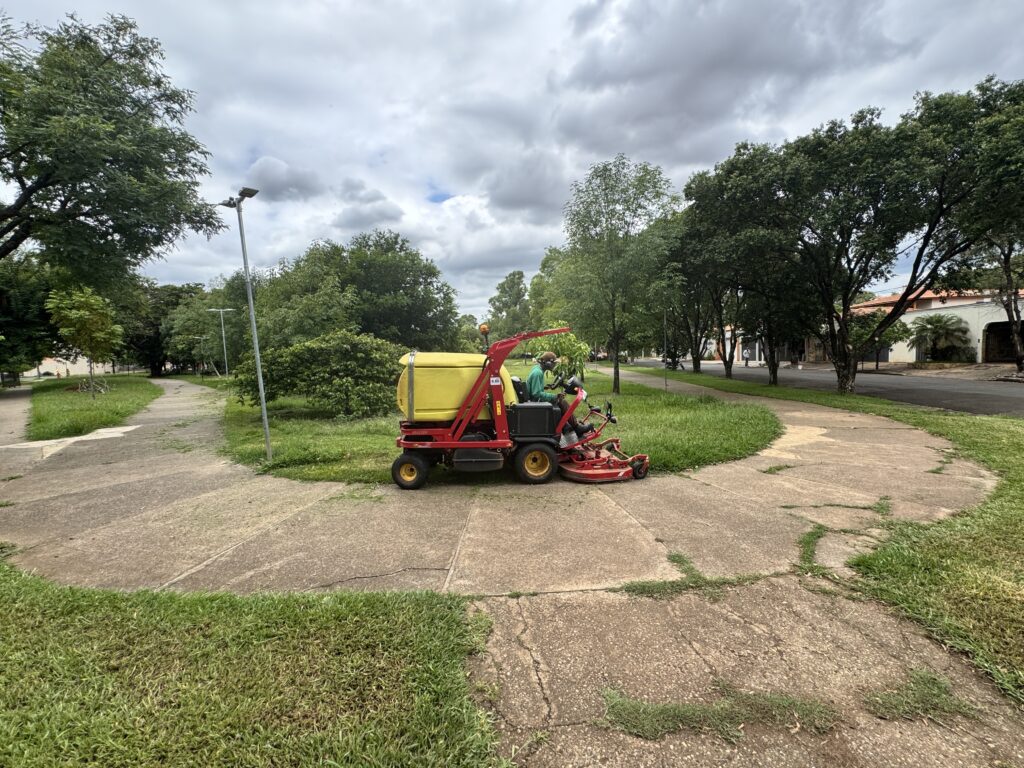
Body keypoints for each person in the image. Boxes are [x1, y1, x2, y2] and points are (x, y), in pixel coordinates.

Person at [527, 352, 592, 438]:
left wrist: (547, 387)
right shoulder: (538, 373)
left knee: (559, 402)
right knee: (562, 402)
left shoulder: (537, 369)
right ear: (548, 363)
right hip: (535, 402)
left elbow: (535, 388)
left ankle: (566, 427)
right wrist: (554, 396)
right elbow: (536, 394)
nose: (554, 365)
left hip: (533, 400)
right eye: (553, 363)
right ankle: (577, 428)